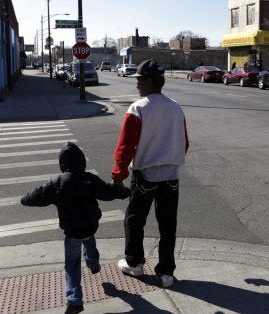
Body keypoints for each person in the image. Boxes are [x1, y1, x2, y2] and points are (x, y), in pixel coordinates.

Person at [21, 142, 130, 314]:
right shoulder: (90, 178)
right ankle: (94, 265)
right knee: (89, 241)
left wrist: (24, 199)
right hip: (90, 226)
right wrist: (124, 192)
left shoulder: (56, 182)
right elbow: (107, 191)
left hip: (72, 232)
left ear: (62, 163)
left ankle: (74, 301)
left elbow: (37, 196)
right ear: (81, 162)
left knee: (72, 265)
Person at [111, 59, 189, 288]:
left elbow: (125, 147)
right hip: (171, 176)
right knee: (168, 225)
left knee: (135, 220)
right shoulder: (176, 107)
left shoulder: (138, 108)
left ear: (149, 81)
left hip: (145, 174)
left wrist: (118, 174)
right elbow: (184, 143)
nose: (136, 84)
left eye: (139, 79)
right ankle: (166, 273)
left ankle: (134, 263)